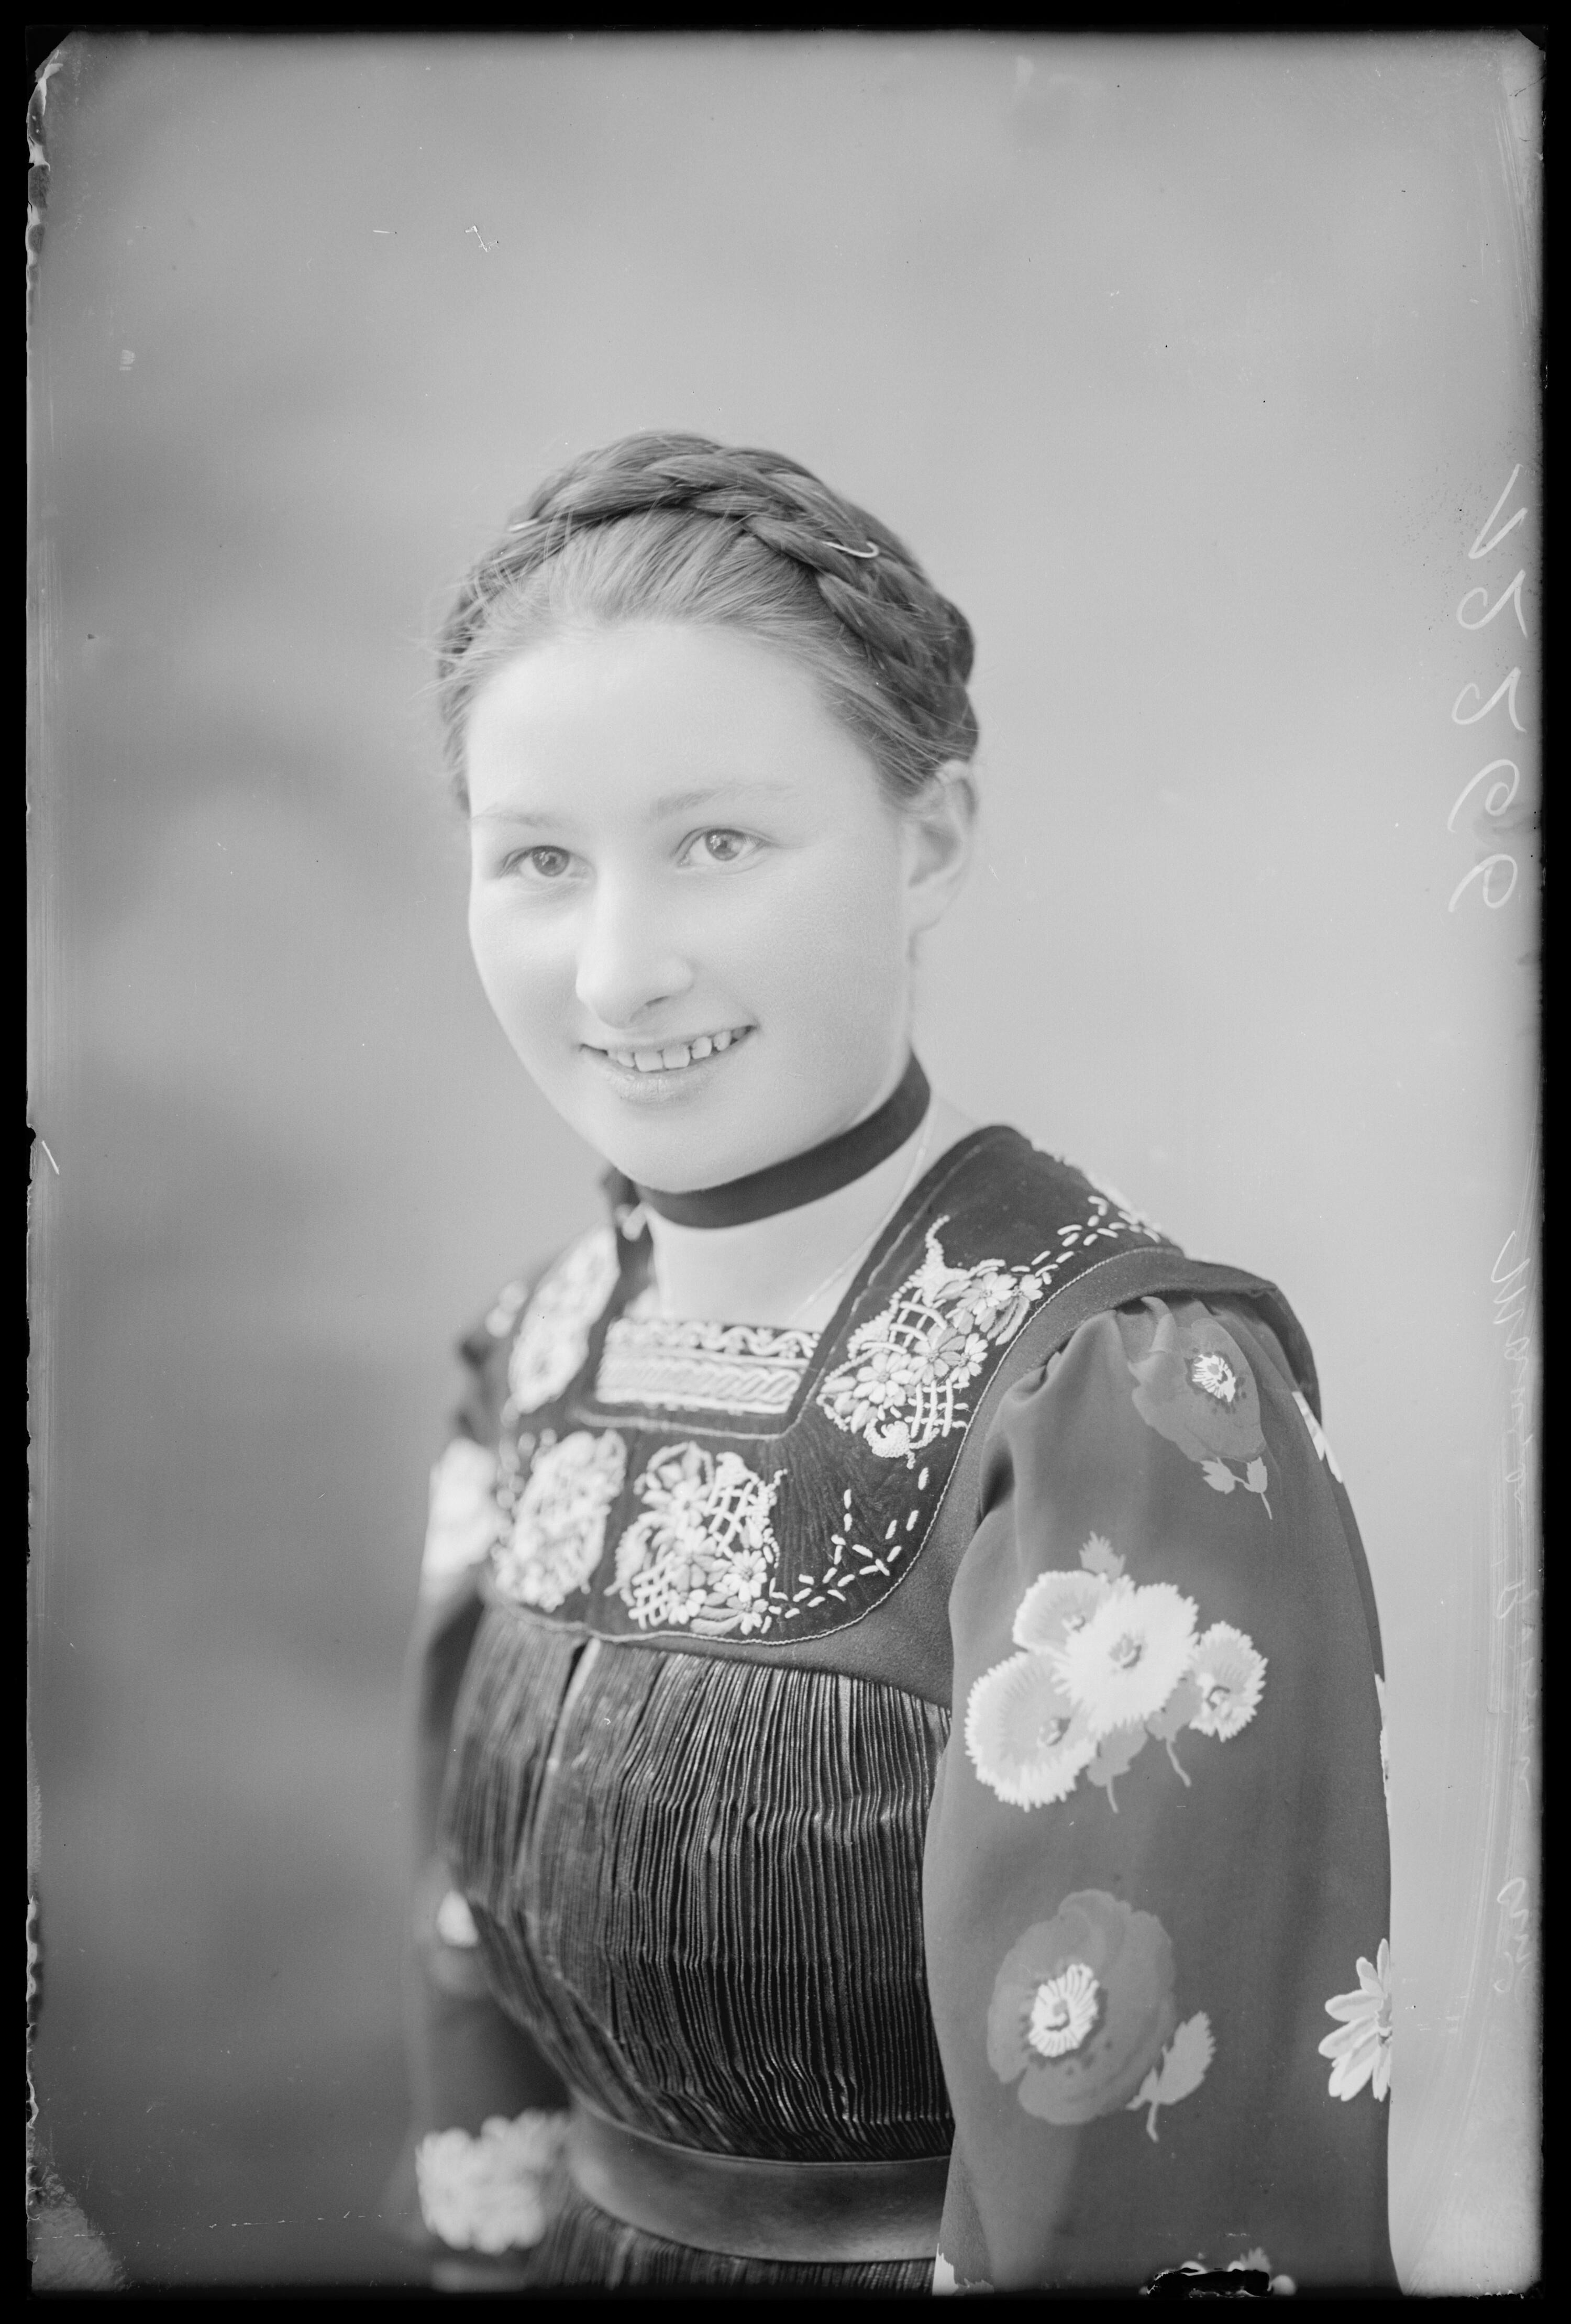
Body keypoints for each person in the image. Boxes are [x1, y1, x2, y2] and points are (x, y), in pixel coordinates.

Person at [381, 433, 1397, 2293]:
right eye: (538, 860)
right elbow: (478, 2044)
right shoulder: (532, 1354)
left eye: (717, 843)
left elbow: (1152, 2189)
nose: (616, 973)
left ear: (929, 839)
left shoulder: (1116, 1395)